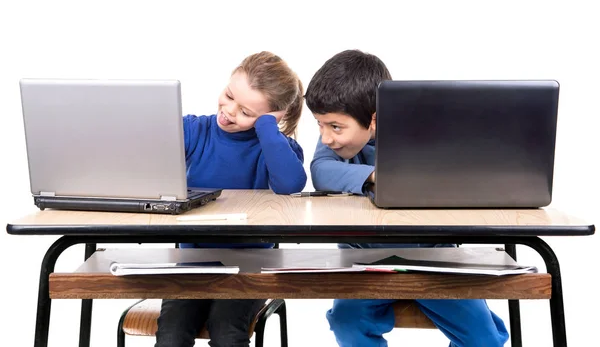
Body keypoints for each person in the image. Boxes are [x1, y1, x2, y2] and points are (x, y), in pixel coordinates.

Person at [304, 49, 509, 347]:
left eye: (335, 127)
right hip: (364, 260)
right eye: (320, 125)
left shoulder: (419, 133)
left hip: (434, 258)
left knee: (483, 338)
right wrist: (382, 176)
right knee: (346, 321)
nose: (325, 138)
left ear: (373, 120)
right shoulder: (333, 143)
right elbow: (321, 172)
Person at [155, 51, 307, 347]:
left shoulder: (278, 148)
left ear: (270, 117)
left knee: (226, 330)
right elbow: (146, 146)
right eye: (228, 95)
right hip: (192, 261)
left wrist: (267, 128)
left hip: (252, 263)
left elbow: (290, 183)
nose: (228, 111)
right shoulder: (195, 130)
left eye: (247, 112)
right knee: (171, 334)